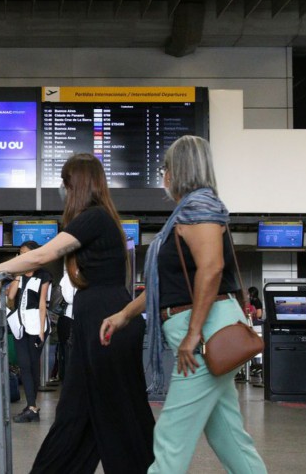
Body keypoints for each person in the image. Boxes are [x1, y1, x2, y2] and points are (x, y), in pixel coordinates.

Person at [0, 153, 154, 471]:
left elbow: (45, 253)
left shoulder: (95, 217)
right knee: (78, 415)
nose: (62, 190)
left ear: (78, 185)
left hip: (105, 322)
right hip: (96, 321)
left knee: (120, 418)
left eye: (65, 183)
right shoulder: (100, 219)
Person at [100, 135, 267, 473]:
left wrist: (192, 335)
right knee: (228, 436)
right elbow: (169, 286)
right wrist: (124, 314)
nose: (163, 174)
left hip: (204, 336)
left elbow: (212, 267)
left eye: (166, 167)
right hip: (206, 330)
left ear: (179, 169)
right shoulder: (188, 211)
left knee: (170, 436)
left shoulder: (199, 207)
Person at [5, 240, 52, 423]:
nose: (21, 256)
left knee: (33, 365)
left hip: (36, 324)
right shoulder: (20, 275)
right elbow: (10, 296)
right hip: (20, 324)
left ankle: (32, 406)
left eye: (25, 253)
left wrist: (41, 330)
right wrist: (18, 274)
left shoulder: (44, 275)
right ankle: (31, 406)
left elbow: (42, 304)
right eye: (20, 253)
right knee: (24, 364)